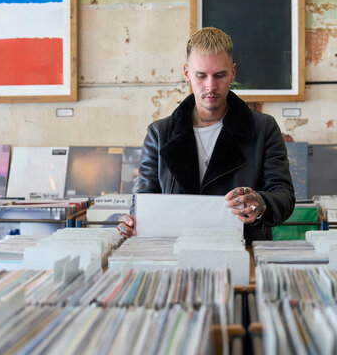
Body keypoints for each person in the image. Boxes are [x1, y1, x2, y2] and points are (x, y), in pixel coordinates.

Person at [118, 27, 294, 244]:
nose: (211, 86)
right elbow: (144, 201)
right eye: (201, 76)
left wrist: (261, 203)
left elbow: (284, 195)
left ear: (233, 72)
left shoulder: (263, 128)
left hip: (242, 254)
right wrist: (133, 221)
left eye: (219, 75)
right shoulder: (159, 133)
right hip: (175, 256)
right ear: (186, 73)